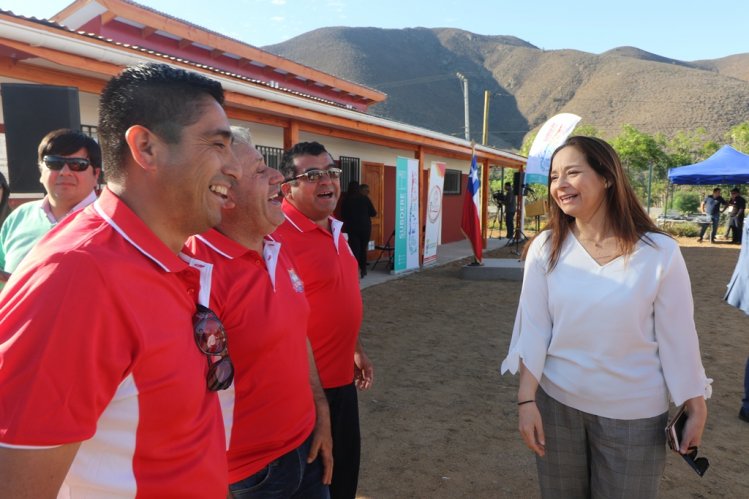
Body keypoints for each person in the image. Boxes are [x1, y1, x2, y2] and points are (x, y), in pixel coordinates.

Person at [0, 62, 240, 497]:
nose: (234, 168)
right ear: (146, 147)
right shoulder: (77, 276)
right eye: (217, 144)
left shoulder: (168, 256)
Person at [501, 136, 711, 498]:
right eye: (554, 177)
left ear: (607, 177)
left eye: (572, 172)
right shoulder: (545, 248)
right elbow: (534, 329)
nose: (560, 185)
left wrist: (696, 405)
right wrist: (526, 402)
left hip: (634, 417)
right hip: (557, 407)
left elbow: (679, 336)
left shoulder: (659, 252)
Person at [186, 127, 332, 498]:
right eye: (259, 171)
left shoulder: (275, 247)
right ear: (223, 192)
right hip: (249, 475)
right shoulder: (194, 271)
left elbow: (297, 335)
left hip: (306, 446)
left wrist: (320, 410)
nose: (278, 178)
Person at [275, 141, 374, 499]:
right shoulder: (274, 238)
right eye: (312, 175)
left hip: (341, 381)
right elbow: (280, 326)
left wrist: (356, 347)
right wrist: (316, 400)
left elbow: (339, 296)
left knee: (345, 475)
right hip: (305, 392)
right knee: (319, 481)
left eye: (331, 172)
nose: (326, 181)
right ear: (288, 187)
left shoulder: (334, 228)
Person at [0, 129, 101, 289]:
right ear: (41, 171)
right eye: (54, 163)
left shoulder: (112, 223)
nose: (65, 172)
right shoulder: (19, 217)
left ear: (96, 174)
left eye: (77, 164)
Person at [341, 180, 377, 278]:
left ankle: (354, 270)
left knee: (354, 249)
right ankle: (363, 270)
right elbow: (374, 213)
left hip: (352, 228)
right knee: (363, 249)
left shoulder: (346, 200)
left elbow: (343, 215)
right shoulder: (364, 199)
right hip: (365, 227)